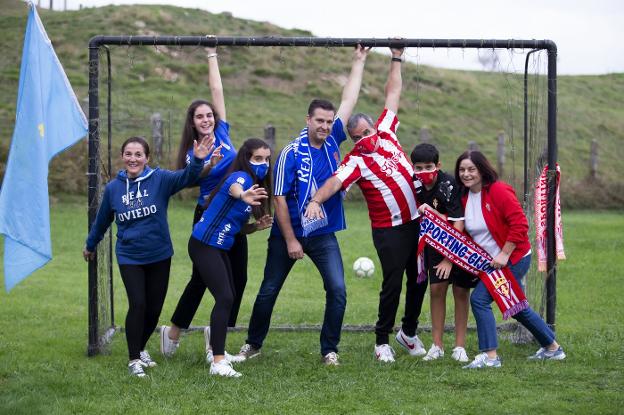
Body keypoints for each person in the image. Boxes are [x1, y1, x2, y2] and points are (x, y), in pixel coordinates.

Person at [233, 45, 370, 366]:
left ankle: (329, 350)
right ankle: (252, 344)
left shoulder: (335, 138)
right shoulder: (290, 154)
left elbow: (348, 99)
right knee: (269, 290)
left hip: (323, 235)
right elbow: (279, 199)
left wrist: (359, 59)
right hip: (287, 234)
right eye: (319, 120)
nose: (324, 125)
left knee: (337, 290)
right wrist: (292, 239)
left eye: (328, 121)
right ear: (308, 120)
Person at [304, 46, 426, 363]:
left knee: (420, 279)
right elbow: (334, 182)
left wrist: (396, 56)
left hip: (418, 221)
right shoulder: (356, 159)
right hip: (389, 230)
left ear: (374, 126)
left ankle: (408, 332)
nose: (366, 139)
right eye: (358, 137)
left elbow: (393, 91)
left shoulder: (387, 130)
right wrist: (317, 199)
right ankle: (382, 340)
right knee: (392, 283)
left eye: (367, 132)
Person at [83, 135, 213, 378]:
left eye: (138, 154)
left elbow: (187, 177)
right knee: (138, 304)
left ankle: (141, 348)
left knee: (154, 309)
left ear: (147, 158)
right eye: (128, 154)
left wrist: (197, 160)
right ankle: (134, 360)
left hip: (160, 254)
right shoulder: (113, 189)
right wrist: (90, 244)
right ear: (123, 157)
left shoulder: (160, 179)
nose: (133, 159)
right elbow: (102, 222)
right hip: (130, 256)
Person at [160, 47, 250, 357]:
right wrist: (206, 162)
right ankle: (173, 331)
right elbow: (196, 175)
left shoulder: (223, 130)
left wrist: (211, 54)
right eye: (200, 117)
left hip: (235, 212)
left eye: (209, 114)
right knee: (202, 280)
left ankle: (217, 331)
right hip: (209, 216)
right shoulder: (193, 151)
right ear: (193, 123)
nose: (207, 119)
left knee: (240, 276)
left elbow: (217, 90)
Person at [455, 150, 566, 368]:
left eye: (471, 169)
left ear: (482, 170)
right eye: (462, 170)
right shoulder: (464, 196)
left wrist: (504, 254)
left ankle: (490, 357)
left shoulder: (499, 191)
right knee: (515, 305)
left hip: (514, 257)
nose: (466, 174)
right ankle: (553, 348)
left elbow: (520, 225)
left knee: (480, 300)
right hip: (490, 263)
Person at [184, 138, 273, 377]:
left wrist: (256, 226)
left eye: (266, 159)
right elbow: (235, 189)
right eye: (258, 159)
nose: (263, 164)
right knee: (225, 297)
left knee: (228, 296)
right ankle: (218, 362)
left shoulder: (253, 186)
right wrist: (243, 195)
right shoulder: (242, 179)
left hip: (218, 246)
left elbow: (238, 226)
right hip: (204, 245)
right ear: (246, 158)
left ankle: (216, 349)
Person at [410, 143, 478, 363]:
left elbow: (458, 222)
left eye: (428, 166)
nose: (423, 172)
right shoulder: (416, 183)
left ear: (438, 165)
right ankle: (437, 345)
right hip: (435, 244)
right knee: (437, 290)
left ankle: (459, 347)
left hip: (459, 244)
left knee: (460, 292)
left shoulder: (448, 184)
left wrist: (450, 258)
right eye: (418, 168)